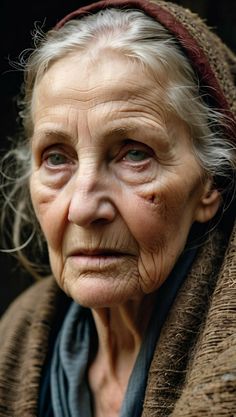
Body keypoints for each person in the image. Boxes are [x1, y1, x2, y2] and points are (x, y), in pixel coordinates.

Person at [0, 0, 235, 416]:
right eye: (57, 158)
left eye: (134, 155)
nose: (84, 208)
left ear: (210, 184)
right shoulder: (9, 346)